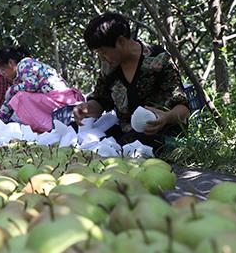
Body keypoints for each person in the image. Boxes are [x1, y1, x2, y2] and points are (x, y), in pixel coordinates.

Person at [72, 12, 190, 152]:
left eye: (103, 52)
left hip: (158, 133)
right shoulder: (109, 67)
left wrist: (165, 117)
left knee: (134, 141)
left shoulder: (157, 59)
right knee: (73, 131)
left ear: (121, 41)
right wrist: (85, 109)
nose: (102, 58)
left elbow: (183, 109)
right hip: (125, 131)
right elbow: (101, 100)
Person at [0, 47, 84, 133]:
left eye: (2, 70)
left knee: (20, 97)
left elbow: (32, 85)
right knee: (16, 96)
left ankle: (47, 126)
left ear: (10, 63)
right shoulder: (20, 77)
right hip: (56, 100)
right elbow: (9, 102)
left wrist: (12, 90)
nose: (2, 74)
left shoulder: (24, 65)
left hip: (59, 99)